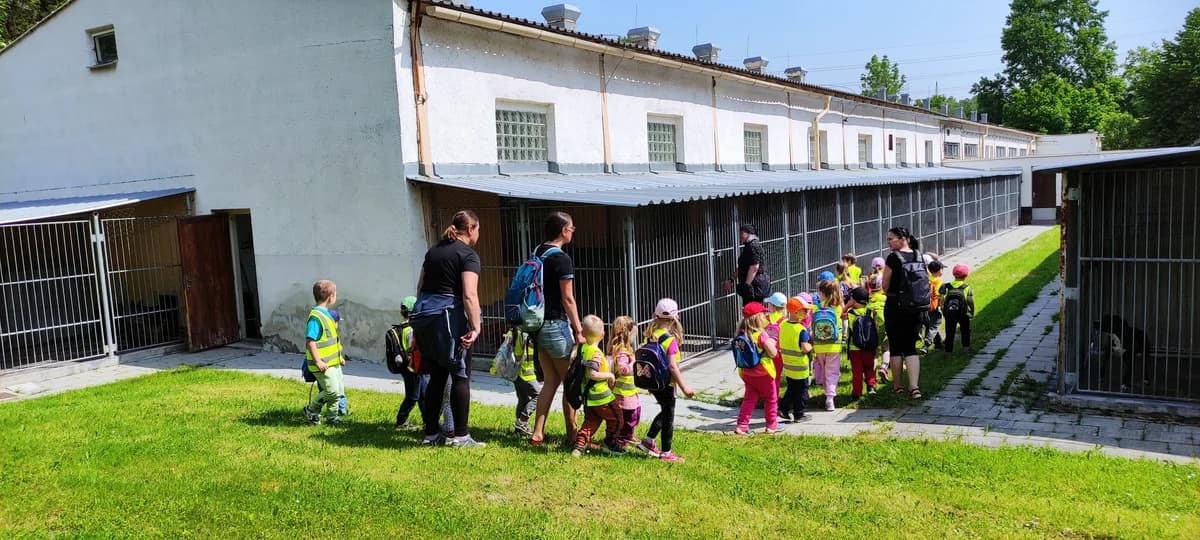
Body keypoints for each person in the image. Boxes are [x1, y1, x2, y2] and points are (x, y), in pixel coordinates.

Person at [412, 210, 484, 448]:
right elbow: (469, 294)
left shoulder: (433, 251)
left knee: (437, 376)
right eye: (478, 230)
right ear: (471, 229)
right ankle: (461, 437)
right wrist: (475, 326)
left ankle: (431, 435)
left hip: (424, 317)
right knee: (460, 374)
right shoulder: (468, 255)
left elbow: (420, 287)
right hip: (448, 318)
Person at [529, 212, 586, 446]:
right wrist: (579, 329)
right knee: (570, 382)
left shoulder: (537, 251)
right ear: (563, 230)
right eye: (571, 228)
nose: (573, 231)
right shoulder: (562, 259)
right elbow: (568, 299)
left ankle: (537, 433)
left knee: (550, 381)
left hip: (538, 325)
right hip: (555, 324)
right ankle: (573, 435)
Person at [636, 298, 695, 463]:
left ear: (655, 316)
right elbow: (672, 367)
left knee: (665, 411)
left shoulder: (650, 336)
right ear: (676, 317)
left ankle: (648, 441)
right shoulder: (671, 341)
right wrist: (684, 387)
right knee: (669, 416)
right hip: (667, 384)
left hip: (653, 382)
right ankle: (666, 452)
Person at [882, 226, 928, 400]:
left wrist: (890, 294)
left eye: (890, 239)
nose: (888, 242)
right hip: (916, 307)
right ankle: (914, 387)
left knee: (895, 347)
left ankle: (897, 386)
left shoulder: (893, 258)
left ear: (902, 238)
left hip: (895, 306)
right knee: (911, 347)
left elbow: (885, 284)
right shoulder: (919, 255)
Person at [572, 315, 624, 457]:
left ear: (582, 333)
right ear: (603, 334)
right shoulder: (595, 353)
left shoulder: (582, 349)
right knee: (617, 418)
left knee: (591, 421)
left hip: (588, 396)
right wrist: (610, 375)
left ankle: (579, 445)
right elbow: (592, 374)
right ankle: (610, 443)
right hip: (601, 396)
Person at [302, 280, 345, 425]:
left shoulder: (326, 314)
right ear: (331, 297)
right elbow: (310, 341)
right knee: (331, 391)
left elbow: (332, 340)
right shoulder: (316, 317)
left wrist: (339, 356)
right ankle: (311, 410)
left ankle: (332, 417)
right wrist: (318, 361)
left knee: (337, 390)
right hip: (322, 364)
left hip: (333, 362)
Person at [734, 302, 779, 435]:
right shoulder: (760, 335)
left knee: (749, 399)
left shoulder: (741, 334)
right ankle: (771, 424)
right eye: (763, 314)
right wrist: (772, 342)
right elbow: (773, 353)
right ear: (758, 318)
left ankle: (741, 425)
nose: (765, 316)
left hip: (747, 373)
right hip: (763, 373)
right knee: (771, 398)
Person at [389, 296, 426, 429]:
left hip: (410, 367)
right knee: (413, 396)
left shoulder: (402, 328)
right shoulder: (411, 330)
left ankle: (428, 421)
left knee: (423, 395)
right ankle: (401, 421)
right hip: (413, 368)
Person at [778, 296, 813, 422]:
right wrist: (810, 346)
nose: (807, 312)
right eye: (805, 310)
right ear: (796, 312)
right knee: (801, 391)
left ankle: (783, 408)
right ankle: (799, 414)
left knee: (791, 388)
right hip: (800, 367)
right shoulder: (801, 330)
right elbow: (804, 348)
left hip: (788, 365)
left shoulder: (783, 325)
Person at [845, 287, 884, 399]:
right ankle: (871, 386)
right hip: (869, 346)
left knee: (857, 371)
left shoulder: (851, 313)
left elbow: (841, 314)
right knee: (869, 367)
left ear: (854, 300)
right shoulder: (870, 312)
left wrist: (848, 305)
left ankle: (857, 392)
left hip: (854, 347)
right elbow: (878, 324)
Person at [811, 280, 844, 411]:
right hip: (834, 345)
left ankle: (824, 388)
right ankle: (830, 398)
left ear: (823, 293)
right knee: (832, 371)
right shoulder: (838, 308)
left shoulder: (816, 308)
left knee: (824, 369)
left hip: (819, 344)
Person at [609, 316, 641, 449]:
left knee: (636, 412)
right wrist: (634, 363)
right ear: (628, 333)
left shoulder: (625, 348)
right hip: (623, 392)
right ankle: (622, 439)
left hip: (630, 390)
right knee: (628, 415)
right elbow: (623, 369)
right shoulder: (621, 350)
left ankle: (629, 435)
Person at [726, 224, 768, 305]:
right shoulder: (749, 246)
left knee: (753, 311)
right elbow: (743, 266)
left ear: (748, 233)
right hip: (753, 284)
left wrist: (747, 285)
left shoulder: (753, 246)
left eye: (742, 233)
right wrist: (731, 279)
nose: (740, 235)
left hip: (754, 286)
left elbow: (754, 267)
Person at [940, 264, 976, 355]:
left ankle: (948, 352)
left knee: (949, 331)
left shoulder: (946, 286)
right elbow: (969, 300)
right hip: (963, 313)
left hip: (949, 313)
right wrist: (971, 311)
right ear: (966, 275)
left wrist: (944, 310)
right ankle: (966, 349)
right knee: (965, 330)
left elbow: (941, 299)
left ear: (953, 274)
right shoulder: (966, 286)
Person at [510, 331, 541, 436]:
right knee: (539, 396)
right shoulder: (526, 333)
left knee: (523, 399)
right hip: (526, 373)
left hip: (515, 373)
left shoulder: (513, 331)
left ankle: (518, 430)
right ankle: (522, 420)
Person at [924, 260, 946, 353]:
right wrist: (942, 305)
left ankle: (938, 344)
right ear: (939, 270)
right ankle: (927, 343)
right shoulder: (938, 281)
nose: (943, 271)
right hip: (934, 306)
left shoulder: (926, 279)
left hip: (925, 306)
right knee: (935, 324)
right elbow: (938, 295)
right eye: (942, 269)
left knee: (930, 324)